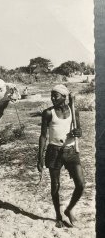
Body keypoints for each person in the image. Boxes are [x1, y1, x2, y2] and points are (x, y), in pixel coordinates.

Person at [37, 84, 85, 228]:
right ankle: (58, 216)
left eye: (55, 95)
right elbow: (43, 136)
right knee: (55, 186)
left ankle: (69, 210)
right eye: (51, 95)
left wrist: (78, 132)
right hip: (53, 151)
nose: (52, 98)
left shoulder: (73, 110)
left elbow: (79, 129)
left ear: (64, 97)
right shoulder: (48, 113)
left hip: (71, 151)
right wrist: (39, 157)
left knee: (81, 184)